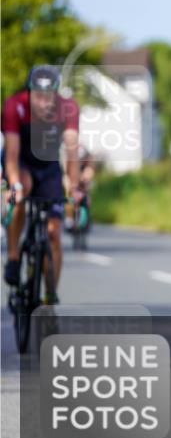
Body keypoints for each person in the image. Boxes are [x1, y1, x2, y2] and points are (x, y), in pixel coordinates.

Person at [2, 65, 83, 304]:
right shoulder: (14, 106)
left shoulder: (67, 108)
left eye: (49, 97)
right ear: (29, 92)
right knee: (22, 190)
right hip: (23, 164)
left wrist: (75, 187)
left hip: (48, 169)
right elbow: (12, 153)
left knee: (53, 234)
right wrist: (14, 185)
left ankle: (49, 295)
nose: (44, 103)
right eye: (38, 96)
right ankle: (14, 256)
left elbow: (71, 150)